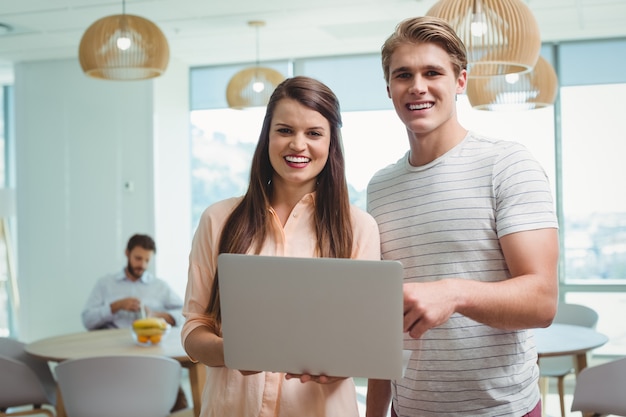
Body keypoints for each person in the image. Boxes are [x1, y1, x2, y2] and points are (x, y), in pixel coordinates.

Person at [365, 16, 559, 417]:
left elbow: (542, 301)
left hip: (502, 410)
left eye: (432, 72)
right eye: (404, 75)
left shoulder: (506, 164)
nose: (417, 85)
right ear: (389, 89)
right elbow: (383, 319)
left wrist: (453, 293)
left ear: (460, 81)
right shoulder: (380, 187)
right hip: (410, 409)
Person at [181, 76, 382, 417]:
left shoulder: (358, 227)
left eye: (314, 133)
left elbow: (364, 341)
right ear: (267, 136)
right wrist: (233, 352)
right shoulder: (218, 219)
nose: (297, 145)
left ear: (332, 142)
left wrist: (339, 363)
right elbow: (193, 328)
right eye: (285, 130)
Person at [82, 233, 184, 330]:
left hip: (150, 341)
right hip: (112, 342)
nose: (142, 265)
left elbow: (186, 314)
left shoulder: (160, 286)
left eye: (147, 260)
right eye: (138, 258)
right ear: (127, 253)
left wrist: (155, 315)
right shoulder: (105, 283)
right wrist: (116, 306)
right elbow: (87, 321)